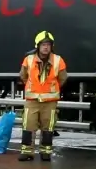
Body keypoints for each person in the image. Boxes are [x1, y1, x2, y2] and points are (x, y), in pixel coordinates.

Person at [17, 31, 67, 162]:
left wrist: (50, 89)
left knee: (48, 126)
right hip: (32, 100)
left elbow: (62, 78)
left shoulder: (58, 60)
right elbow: (23, 76)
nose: (46, 47)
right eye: (43, 44)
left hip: (50, 101)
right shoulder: (28, 59)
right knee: (28, 125)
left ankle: (45, 152)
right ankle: (27, 151)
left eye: (48, 45)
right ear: (38, 46)